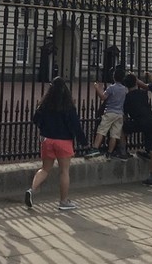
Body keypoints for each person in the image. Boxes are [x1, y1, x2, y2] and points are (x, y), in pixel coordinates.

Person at [25, 77, 88, 211]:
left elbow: (35, 119)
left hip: (48, 140)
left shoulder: (45, 105)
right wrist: (83, 142)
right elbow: (76, 125)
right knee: (64, 171)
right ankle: (63, 201)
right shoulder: (68, 106)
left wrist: (44, 128)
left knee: (44, 169)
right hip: (64, 141)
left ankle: (31, 190)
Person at [121, 73, 152, 187]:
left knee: (123, 130)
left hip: (139, 121)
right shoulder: (143, 94)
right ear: (136, 83)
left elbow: (125, 115)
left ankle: (123, 151)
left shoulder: (127, 97)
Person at [84, 67, 128, 160]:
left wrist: (97, 88)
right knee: (114, 135)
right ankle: (109, 152)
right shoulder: (125, 89)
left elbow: (103, 97)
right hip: (119, 114)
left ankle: (95, 148)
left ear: (114, 77)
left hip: (110, 112)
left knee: (102, 130)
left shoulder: (111, 88)